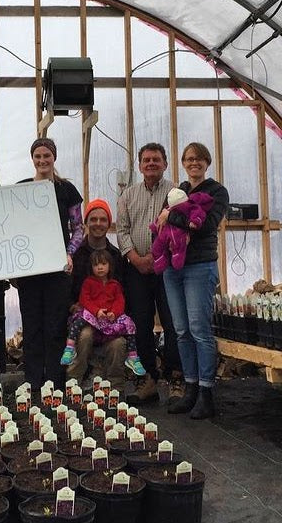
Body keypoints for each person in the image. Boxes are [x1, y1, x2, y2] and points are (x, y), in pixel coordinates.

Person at [159, 142, 229, 419]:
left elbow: (207, 223)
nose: (193, 163)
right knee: (181, 330)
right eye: (189, 159)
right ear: (183, 163)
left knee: (200, 329)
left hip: (199, 266)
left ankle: (206, 392)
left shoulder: (216, 191)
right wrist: (171, 220)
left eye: (199, 159)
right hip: (173, 268)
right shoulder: (180, 191)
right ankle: (190, 388)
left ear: (207, 162)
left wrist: (172, 215)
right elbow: (163, 224)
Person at [116, 143, 183, 405]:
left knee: (172, 323)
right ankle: (148, 380)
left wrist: (157, 259)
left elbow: (179, 231)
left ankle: (176, 377)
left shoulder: (176, 194)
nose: (151, 163)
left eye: (156, 159)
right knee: (140, 324)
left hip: (167, 269)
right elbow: (121, 230)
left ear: (165, 163)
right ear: (140, 166)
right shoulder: (128, 196)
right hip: (137, 269)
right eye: (146, 160)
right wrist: (134, 257)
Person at [16, 137, 83, 389]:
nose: (42, 160)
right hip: (29, 269)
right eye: (38, 156)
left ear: (54, 157)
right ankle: (33, 381)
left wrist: (69, 253)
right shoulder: (21, 188)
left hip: (58, 269)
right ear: (32, 159)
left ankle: (55, 380)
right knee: (31, 324)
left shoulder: (66, 190)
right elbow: (11, 228)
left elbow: (78, 228)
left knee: (55, 325)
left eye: (47, 155)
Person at [65, 199, 128, 390]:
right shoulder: (75, 254)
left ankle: (116, 387)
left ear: (109, 224)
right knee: (84, 336)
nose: (98, 224)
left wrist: (115, 314)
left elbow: (121, 293)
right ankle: (74, 383)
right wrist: (71, 305)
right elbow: (66, 288)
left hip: (109, 319)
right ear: (86, 223)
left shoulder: (116, 256)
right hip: (83, 316)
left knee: (118, 344)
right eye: (93, 219)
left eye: (102, 219)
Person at [61, 249, 146, 376]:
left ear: (110, 266)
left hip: (110, 319)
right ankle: (70, 347)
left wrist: (114, 313)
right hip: (93, 316)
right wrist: (96, 311)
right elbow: (84, 299)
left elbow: (119, 301)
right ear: (91, 267)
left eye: (103, 264)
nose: (100, 267)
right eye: (96, 265)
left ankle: (133, 356)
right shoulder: (88, 282)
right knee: (78, 320)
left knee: (130, 325)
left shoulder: (115, 284)